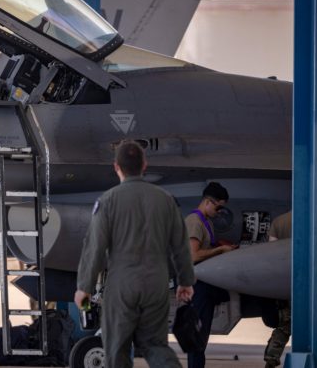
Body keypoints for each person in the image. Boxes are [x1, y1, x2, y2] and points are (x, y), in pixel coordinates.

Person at [74, 140, 195, 368]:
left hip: (122, 285)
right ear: (145, 165)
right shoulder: (166, 200)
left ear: (116, 167)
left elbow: (95, 247)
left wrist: (85, 287)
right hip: (157, 285)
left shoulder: (108, 200)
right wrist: (186, 282)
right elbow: (181, 245)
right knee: (156, 346)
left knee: (116, 349)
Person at [185, 182, 237, 368]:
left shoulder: (206, 223)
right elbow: (193, 255)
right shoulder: (194, 222)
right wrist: (221, 250)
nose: (220, 211)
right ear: (208, 202)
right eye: (218, 207)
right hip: (197, 286)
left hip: (204, 286)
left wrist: (221, 246)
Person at [264, 210, 292, 368]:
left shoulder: (279, 221)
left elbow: (271, 254)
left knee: (284, 324)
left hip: (284, 281)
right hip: (308, 280)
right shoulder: (316, 218)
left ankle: (271, 358)